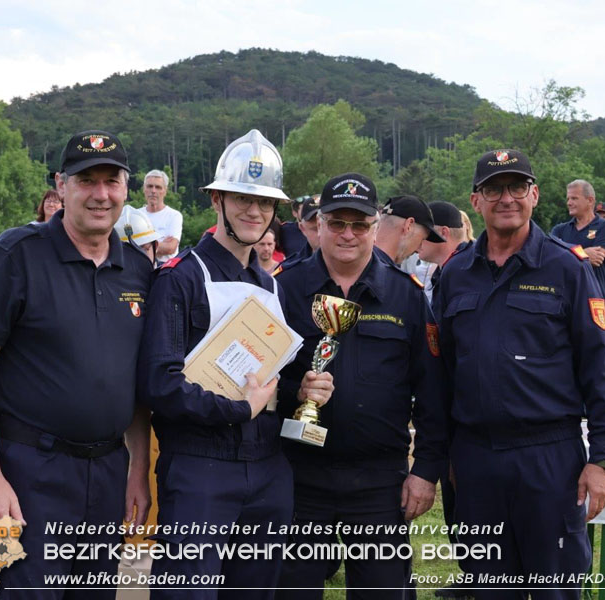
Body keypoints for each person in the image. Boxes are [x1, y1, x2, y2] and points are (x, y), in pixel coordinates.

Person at [0, 130, 153, 599]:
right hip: (29, 473)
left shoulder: (139, 272)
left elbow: (139, 388)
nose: (101, 194)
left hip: (107, 474)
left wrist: (138, 470)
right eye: (87, 181)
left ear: (126, 189)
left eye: (112, 181)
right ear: (61, 186)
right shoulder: (16, 255)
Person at [137, 129, 333, 599]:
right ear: (218, 200)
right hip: (201, 466)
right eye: (243, 198)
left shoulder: (271, 285)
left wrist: (300, 392)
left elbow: (273, 381)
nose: (254, 212)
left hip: (268, 465)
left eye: (264, 203)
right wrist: (237, 410)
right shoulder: (180, 278)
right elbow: (159, 385)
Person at [436, 150, 605, 600]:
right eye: (494, 189)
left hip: (549, 460)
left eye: (517, 187)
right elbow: (441, 372)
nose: (507, 198)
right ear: (475, 200)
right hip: (475, 459)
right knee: (488, 588)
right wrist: (444, 456)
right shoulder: (456, 273)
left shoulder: (568, 268)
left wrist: (601, 460)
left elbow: (600, 368)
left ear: (534, 195)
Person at [275, 172, 448, 599]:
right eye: (336, 223)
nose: (347, 234)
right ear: (319, 224)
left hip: (379, 481)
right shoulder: (283, 289)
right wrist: (294, 391)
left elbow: (431, 393)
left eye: (359, 224)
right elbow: (258, 379)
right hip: (298, 475)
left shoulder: (406, 296)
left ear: (375, 227)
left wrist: (425, 472)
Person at [551, 180, 605, 299]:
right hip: (564, 299)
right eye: (568, 199)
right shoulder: (559, 229)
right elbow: (550, 258)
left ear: (590, 200)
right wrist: (583, 254)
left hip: (594, 300)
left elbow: (597, 258)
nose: (569, 203)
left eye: (574, 198)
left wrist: (564, 256)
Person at [417, 201, 470, 307]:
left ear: (443, 233)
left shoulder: (466, 274)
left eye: (423, 233)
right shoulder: (454, 270)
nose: (417, 240)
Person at [374, 194, 445, 266]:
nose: (419, 249)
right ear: (408, 226)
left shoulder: (364, 261)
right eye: (422, 239)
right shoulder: (389, 275)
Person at [138, 169, 183, 264]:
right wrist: (160, 244)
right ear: (144, 189)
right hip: (140, 269)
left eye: (158, 187)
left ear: (165, 191)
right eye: (149, 186)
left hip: (165, 269)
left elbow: (171, 248)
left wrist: (142, 244)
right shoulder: (136, 216)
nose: (153, 191)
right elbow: (128, 247)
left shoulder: (174, 216)